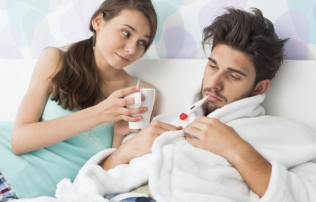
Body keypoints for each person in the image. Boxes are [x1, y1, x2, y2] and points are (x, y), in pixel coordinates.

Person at [50, 7, 316, 202]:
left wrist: (238, 150)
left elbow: (305, 196)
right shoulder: (166, 124)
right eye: (212, 66)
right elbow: (94, 179)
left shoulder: (287, 135)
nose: (215, 82)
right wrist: (126, 151)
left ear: (259, 87)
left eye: (234, 76)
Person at [0, 0, 158, 200]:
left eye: (142, 42)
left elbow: (113, 174)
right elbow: (19, 140)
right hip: (1, 162)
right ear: (98, 22)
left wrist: (119, 136)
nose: (132, 49)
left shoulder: (141, 92)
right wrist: (100, 113)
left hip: (40, 192)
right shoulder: (56, 60)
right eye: (126, 33)